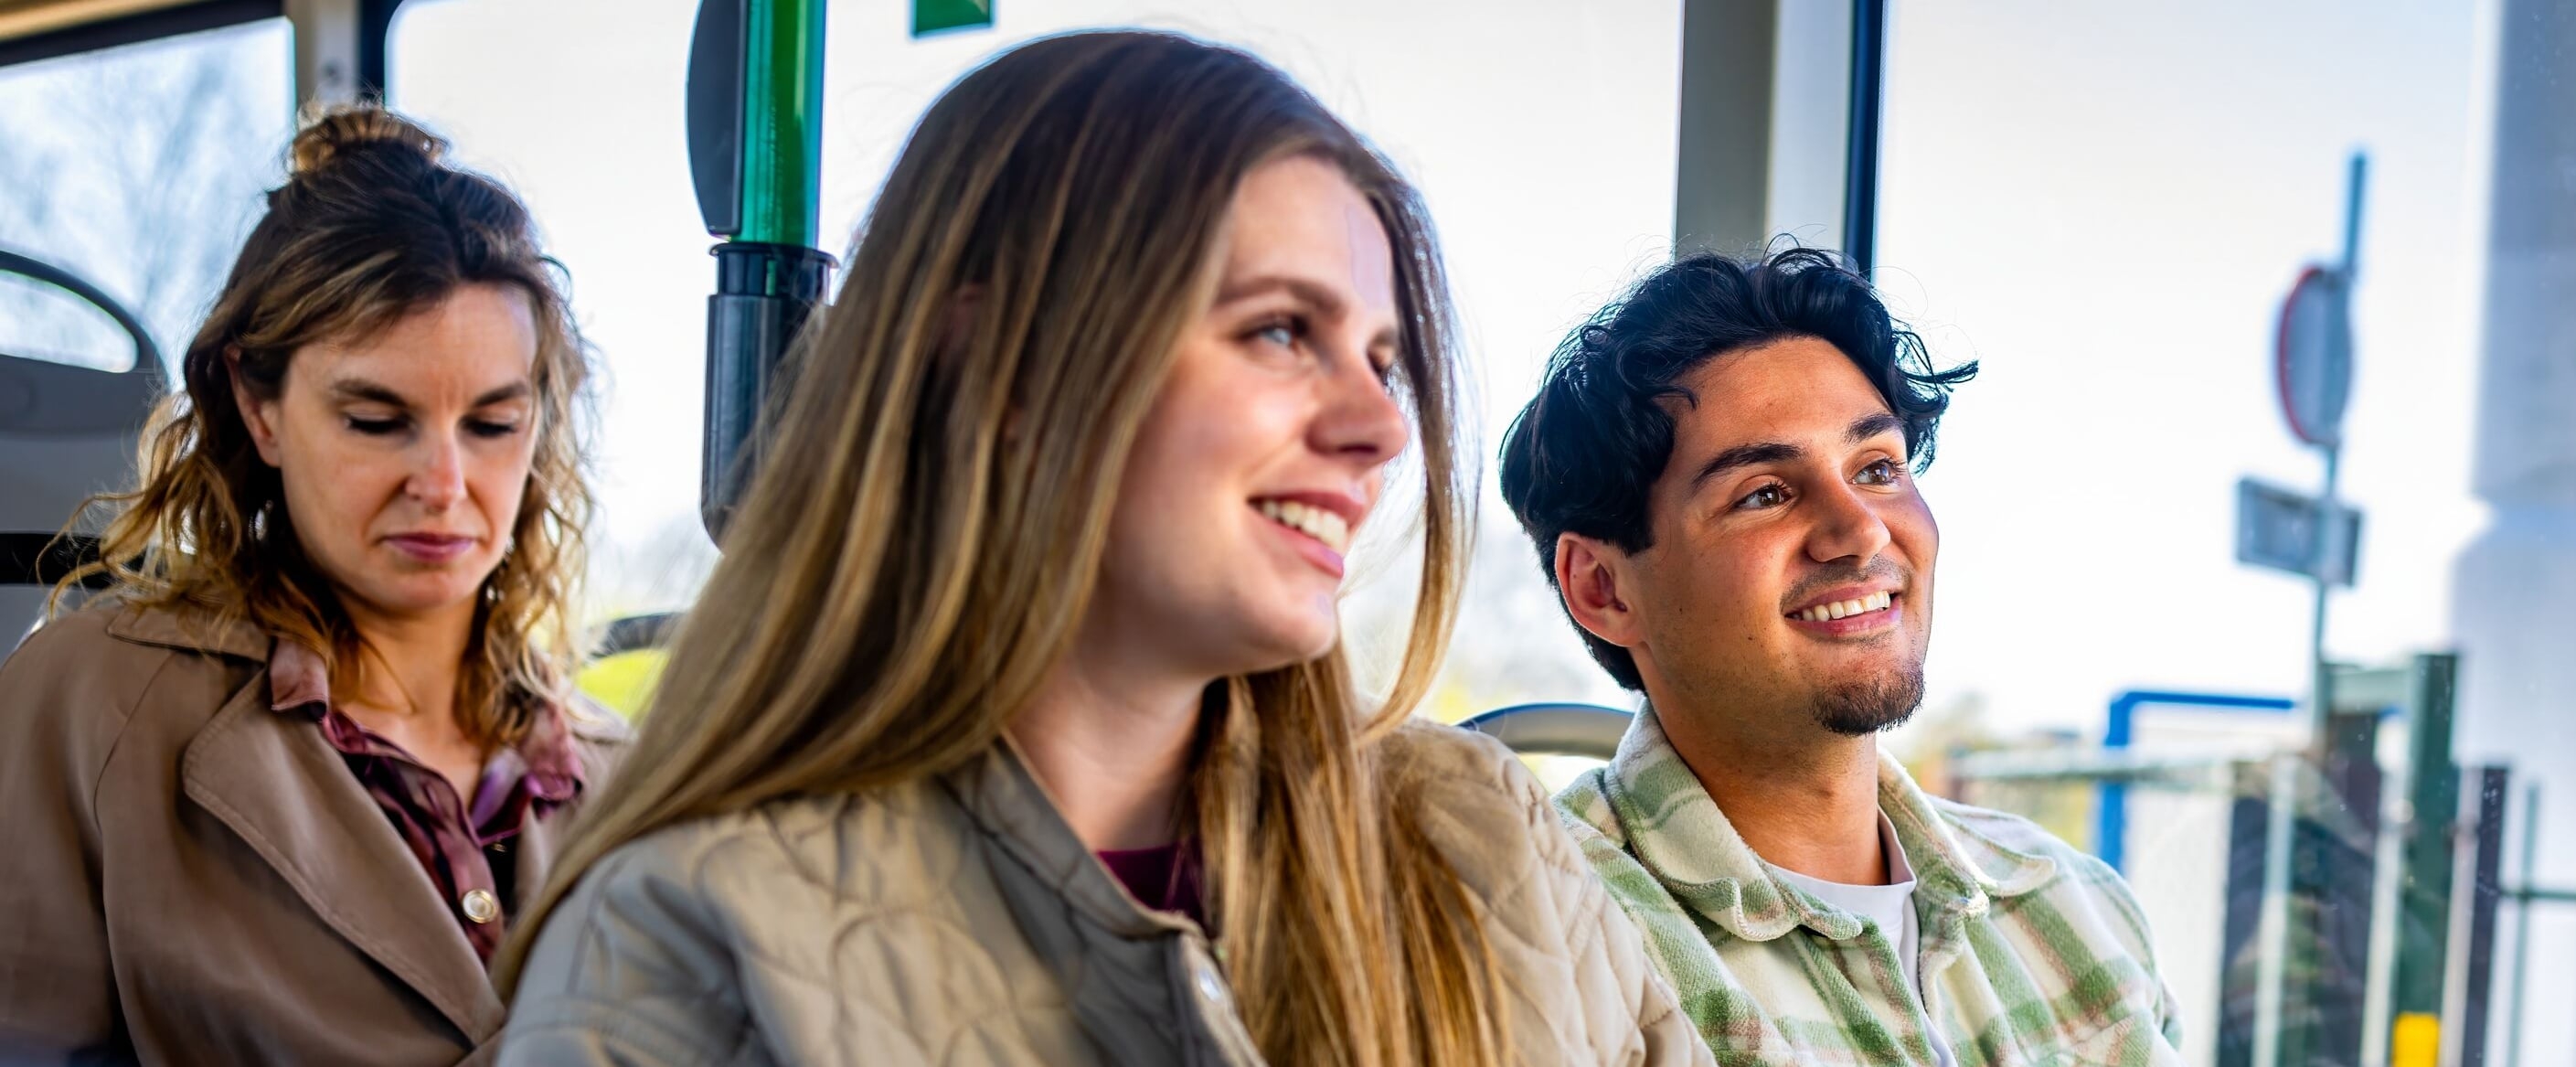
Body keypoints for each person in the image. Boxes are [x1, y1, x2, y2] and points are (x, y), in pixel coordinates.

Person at [495, 31, 1697, 1067]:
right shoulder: (681, 942)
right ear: (1002, 361)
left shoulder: (1477, 834)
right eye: (1283, 330)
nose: (1382, 426)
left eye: (1384, 359)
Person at [0, 105, 624, 1064]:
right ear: (259, 408)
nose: (445, 487)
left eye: (493, 425)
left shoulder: (624, 770)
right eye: (378, 420)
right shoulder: (88, 706)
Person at [1500, 248, 2187, 1065]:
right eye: (1764, 492)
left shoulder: (2082, 910)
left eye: (1878, 467)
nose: (1862, 527)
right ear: (1604, 589)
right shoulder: (1543, 937)